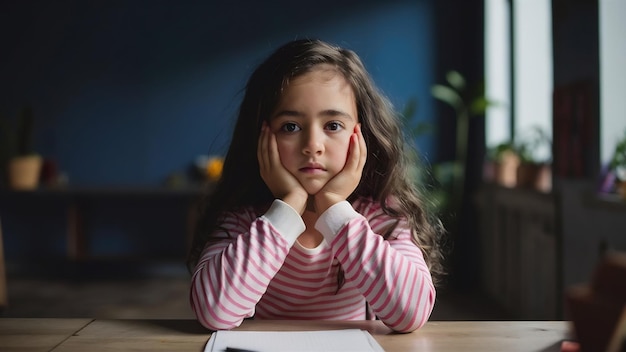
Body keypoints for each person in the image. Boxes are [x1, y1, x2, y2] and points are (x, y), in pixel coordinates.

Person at [187, 38, 445, 333]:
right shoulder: (243, 220)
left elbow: (411, 313)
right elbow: (214, 312)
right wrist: (288, 206)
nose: (312, 146)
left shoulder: (381, 216)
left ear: (361, 136)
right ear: (261, 137)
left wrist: (334, 206)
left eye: (333, 125)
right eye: (290, 127)